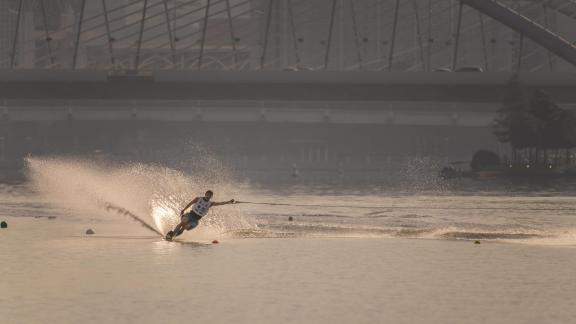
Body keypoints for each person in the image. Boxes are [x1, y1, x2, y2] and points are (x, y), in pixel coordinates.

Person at [165, 190, 235, 240]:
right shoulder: (198, 199)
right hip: (190, 214)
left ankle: (174, 236)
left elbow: (221, 203)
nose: (208, 196)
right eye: (207, 194)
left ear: (211, 196)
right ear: (205, 194)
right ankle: (172, 234)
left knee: (185, 227)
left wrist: (229, 202)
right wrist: (183, 210)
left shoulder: (210, 203)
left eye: (210, 195)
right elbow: (190, 203)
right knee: (182, 222)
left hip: (196, 220)